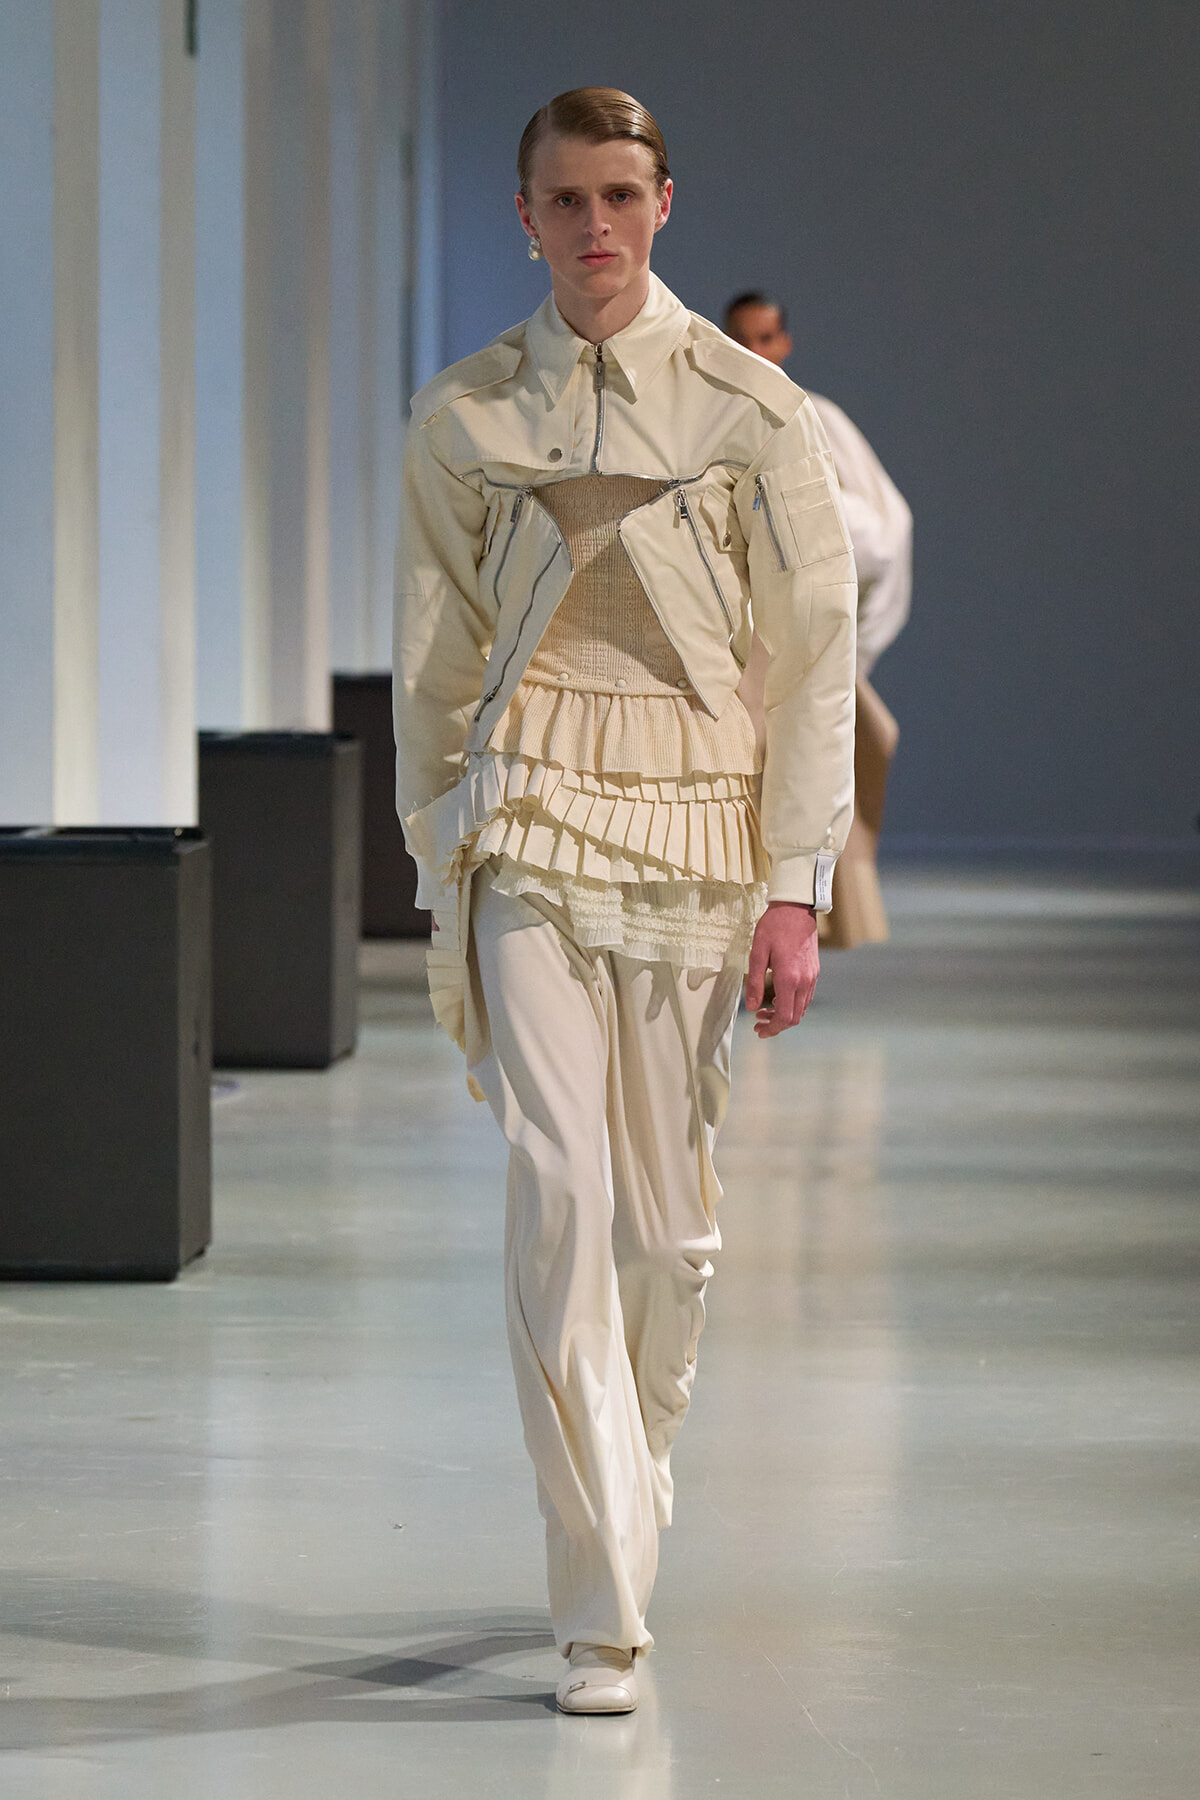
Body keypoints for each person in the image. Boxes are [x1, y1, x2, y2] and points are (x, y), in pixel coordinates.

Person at [393, 91, 856, 1715]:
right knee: (556, 1185)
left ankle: (627, 1477)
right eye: (564, 199)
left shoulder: (751, 414)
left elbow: (811, 668)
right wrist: (433, 844)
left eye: (620, 195)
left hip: (695, 834)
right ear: (522, 215)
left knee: (664, 1228)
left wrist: (795, 889)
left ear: (665, 203)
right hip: (525, 813)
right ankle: (600, 1608)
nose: (595, 226)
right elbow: (437, 663)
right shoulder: (463, 420)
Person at [724, 292, 912, 946]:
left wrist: (841, 629)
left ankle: (794, 927)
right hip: (734, 645)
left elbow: (885, 531)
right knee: (740, 781)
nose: (757, 351)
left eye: (767, 337)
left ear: (785, 342)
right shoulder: (712, 420)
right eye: (743, 338)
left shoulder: (817, 420)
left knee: (823, 764)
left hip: (799, 634)